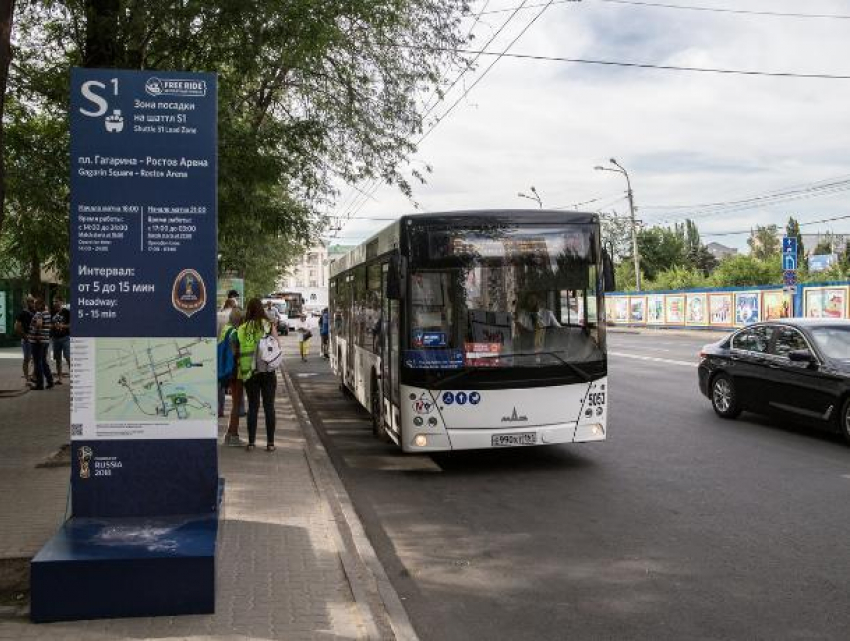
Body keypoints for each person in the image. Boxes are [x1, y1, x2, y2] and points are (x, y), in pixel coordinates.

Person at [232, 298, 278, 451]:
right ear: (262, 309)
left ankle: (251, 443)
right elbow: (277, 345)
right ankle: (270, 444)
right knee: (269, 406)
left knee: (253, 407)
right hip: (267, 370)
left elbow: (236, 350)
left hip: (249, 373)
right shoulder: (268, 324)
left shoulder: (242, 328)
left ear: (248, 310)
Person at [219, 307, 246, 446]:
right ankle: (233, 435)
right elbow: (235, 353)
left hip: (226, 370)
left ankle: (229, 434)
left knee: (234, 404)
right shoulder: (235, 332)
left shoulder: (225, 329)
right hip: (235, 371)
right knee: (236, 404)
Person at [28, 297, 54, 390]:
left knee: (37, 362)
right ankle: (50, 381)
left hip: (38, 341)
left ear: (40, 305)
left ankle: (40, 384)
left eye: (36, 304)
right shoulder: (47, 313)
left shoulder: (39, 313)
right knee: (43, 361)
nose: (34, 306)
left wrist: (38, 335)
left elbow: (39, 324)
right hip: (45, 340)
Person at [14, 295, 35, 383]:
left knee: (36, 359)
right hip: (27, 339)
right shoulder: (22, 313)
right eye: (30, 301)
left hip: (36, 338)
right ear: (27, 303)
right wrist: (25, 336)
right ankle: (27, 379)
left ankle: (33, 376)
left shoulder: (35, 312)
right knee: (27, 359)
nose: (32, 303)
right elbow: (16, 327)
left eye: (33, 301)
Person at [50, 297, 71, 383]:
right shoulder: (52, 312)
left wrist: (63, 326)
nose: (55, 303)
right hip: (55, 338)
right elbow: (49, 324)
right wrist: (53, 326)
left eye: (57, 301)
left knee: (68, 357)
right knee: (58, 359)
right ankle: (60, 378)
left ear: (62, 302)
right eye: (54, 301)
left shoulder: (66, 312)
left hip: (65, 338)